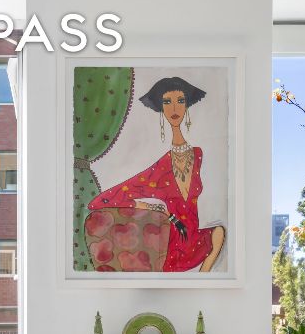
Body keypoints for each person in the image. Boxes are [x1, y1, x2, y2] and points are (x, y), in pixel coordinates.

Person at [88, 76, 225, 272]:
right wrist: (148, 206)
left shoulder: (198, 155)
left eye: (180, 101)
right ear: (161, 109)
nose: (175, 109)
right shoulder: (161, 168)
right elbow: (99, 202)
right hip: (170, 246)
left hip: (195, 241)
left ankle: (202, 283)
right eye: (167, 102)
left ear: (187, 105)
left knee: (218, 233)